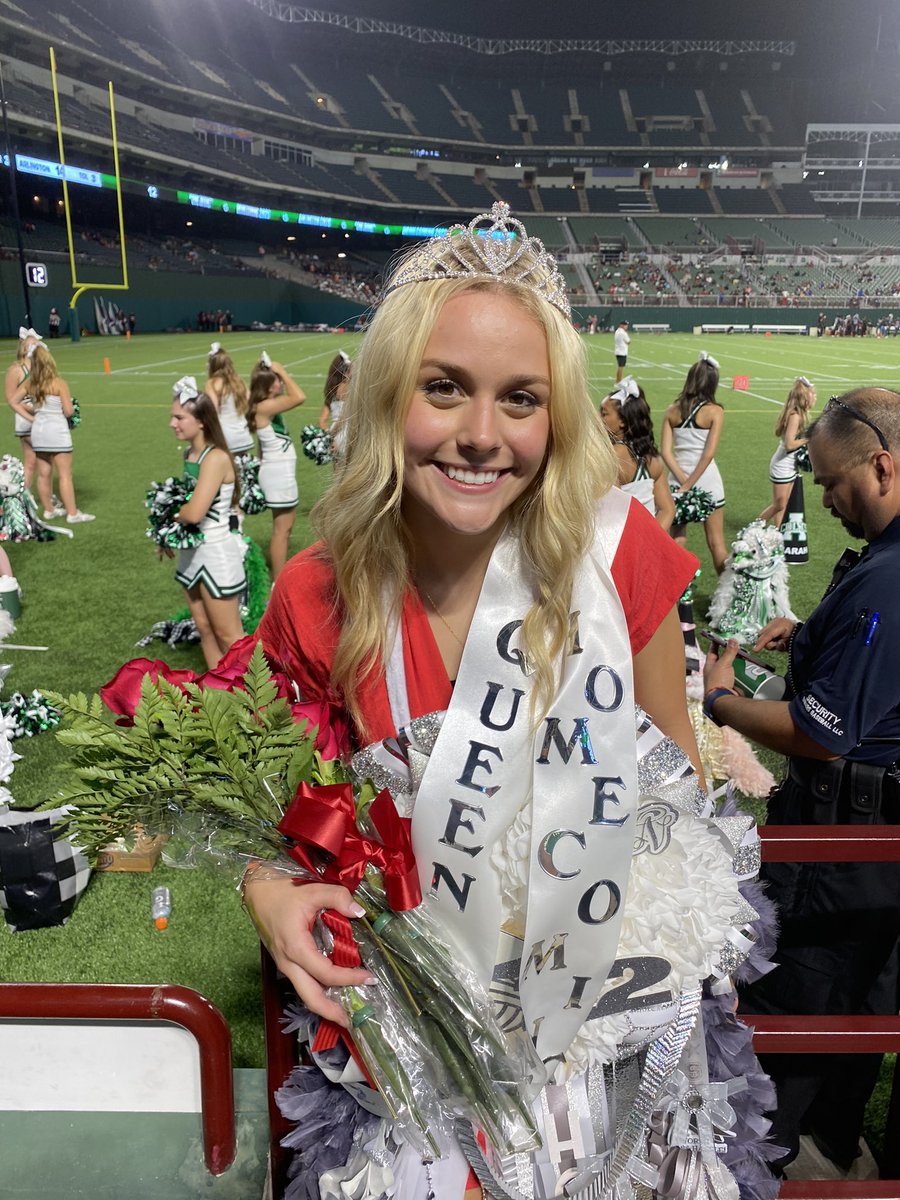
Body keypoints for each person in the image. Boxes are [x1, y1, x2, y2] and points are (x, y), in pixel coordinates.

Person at [244, 204, 769, 1197]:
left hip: (605, 1032)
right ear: (391, 393)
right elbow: (281, 822)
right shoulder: (316, 594)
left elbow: (676, 803)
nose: (482, 436)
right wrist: (270, 891)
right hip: (414, 1042)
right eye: (444, 390)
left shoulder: (621, 557)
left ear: (557, 417)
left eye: (521, 400)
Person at [703, 387, 900, 1173]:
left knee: (795, 1009)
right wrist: (815, 635)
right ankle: (832, 1141)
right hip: (871, 853)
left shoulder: (891, 577)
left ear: (881, 465)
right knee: (863, 1003)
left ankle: (760, 1166)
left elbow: (821, 731)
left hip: (841, 849)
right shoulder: (884, 563)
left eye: (829, 481)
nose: (821, 500)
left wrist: (725, 704)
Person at [166, 377, 245, 668]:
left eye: (179, 417)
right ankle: (220, 697)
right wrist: (169, 533)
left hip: (215, 554)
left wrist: (167, 514)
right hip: (191, 554)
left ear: (200, 421)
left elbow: (193, 513)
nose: (172, 424)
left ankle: (260, 704)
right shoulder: (191, 454)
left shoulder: (216, 458)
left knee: (231, 637)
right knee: (204, 627)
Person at [8, 342, 93, 524]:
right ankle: (72, 513)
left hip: (39, 432)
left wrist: (32, 418)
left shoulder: (31, 383)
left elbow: (13, 401)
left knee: (44, 473)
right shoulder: (59, 383)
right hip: (57, 431)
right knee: (64, 474)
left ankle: (49, 510)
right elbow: (69, 411)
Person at [661, 351, 727, 573]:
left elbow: (666, 452)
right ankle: (726, 598)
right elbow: (708, 454)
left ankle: (678, 598)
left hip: (676, 483)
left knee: (677, 541)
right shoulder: (715, 411)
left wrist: (682, 482)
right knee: (716, 543)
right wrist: (691, 483)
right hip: (707, 482)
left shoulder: (672, 410)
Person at [247, 354, 306, 580]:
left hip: (279, 473)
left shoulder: (267, 408)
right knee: (281, 531)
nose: (281, 384)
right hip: (278, 476)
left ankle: (279, 577)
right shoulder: (265, 406)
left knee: (286, 527)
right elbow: (299, 396)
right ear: (269, 384)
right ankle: (277, 583)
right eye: (277, 380)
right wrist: (281, 370)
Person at [600, 376, 675, 531]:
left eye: (604, 413)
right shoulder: (653, 457)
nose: (598, 418)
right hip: (646, 543)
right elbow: (668, 510)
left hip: (620, 544)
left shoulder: (613, 455)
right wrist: (651, 541)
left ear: (623, 422)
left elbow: (608, 513)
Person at [759, 376, 816, 530]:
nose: (815, 397)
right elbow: (789, 444)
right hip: (782, 466)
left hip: (789, 465)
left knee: (783, 505)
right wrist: (808, 439)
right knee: (779, 504)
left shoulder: (799, 414)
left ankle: (779, 533)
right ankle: (755, 527)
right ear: (805, 396)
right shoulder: (795, 416)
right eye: (813, 394)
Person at [4, 326, 41, 497]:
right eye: (34, 345)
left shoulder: (38, 368)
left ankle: (25, 498)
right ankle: (47, 499)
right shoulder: (16, 370)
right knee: (42, 461)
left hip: (38, 418)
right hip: (27, 420)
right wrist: (33, 411)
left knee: (32, 462)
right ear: (25, 348)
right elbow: (11, 399)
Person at [205, 343, 253, 457]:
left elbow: (212, 412)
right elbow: (250, 403)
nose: (206, 365)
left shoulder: (212, 383)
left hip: (225, 438)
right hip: (244, 436)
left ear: (213, 365)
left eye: (208, 362)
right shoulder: (239, 382)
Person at [318, 349, 351, 458]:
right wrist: (334, 434)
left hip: (336, 433)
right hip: (346, 433)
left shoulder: (331, 390)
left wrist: (330, 437)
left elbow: (322, 420)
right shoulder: (347, 388)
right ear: (345, 371)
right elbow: (344, 417)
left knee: (338, 473)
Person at [613, 318, 629, 383]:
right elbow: (628, 341)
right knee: (621, 367)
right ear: (621, 325)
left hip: (618, 350)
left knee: (620, 366)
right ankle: (619, 380)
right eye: (625, 325)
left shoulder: (617, 331)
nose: (626, 326)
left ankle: (618, 380)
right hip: (622, 351)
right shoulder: (623, 333)